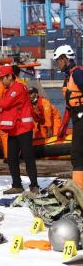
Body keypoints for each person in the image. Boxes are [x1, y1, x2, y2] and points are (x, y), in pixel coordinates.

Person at [0, 65, 39, 194]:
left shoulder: (18, 88)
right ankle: (17, 185)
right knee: (11, 159)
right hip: (14, 129)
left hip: (23, 129)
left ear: (10, 76)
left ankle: (34, 185)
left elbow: (5, 104)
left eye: (1, 78)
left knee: (28, 158)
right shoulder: (9, 89)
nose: (0, 81)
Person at [53, 45, 83, 188]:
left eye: (58, 60)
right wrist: (63, 128)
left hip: (81, 117)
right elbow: (68, 106)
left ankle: (79, 187)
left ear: (65, 59)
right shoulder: (69, 77)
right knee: (77, 152)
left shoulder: (77, 74)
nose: (57, 64)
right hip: (77, 118)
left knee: (77, 153)